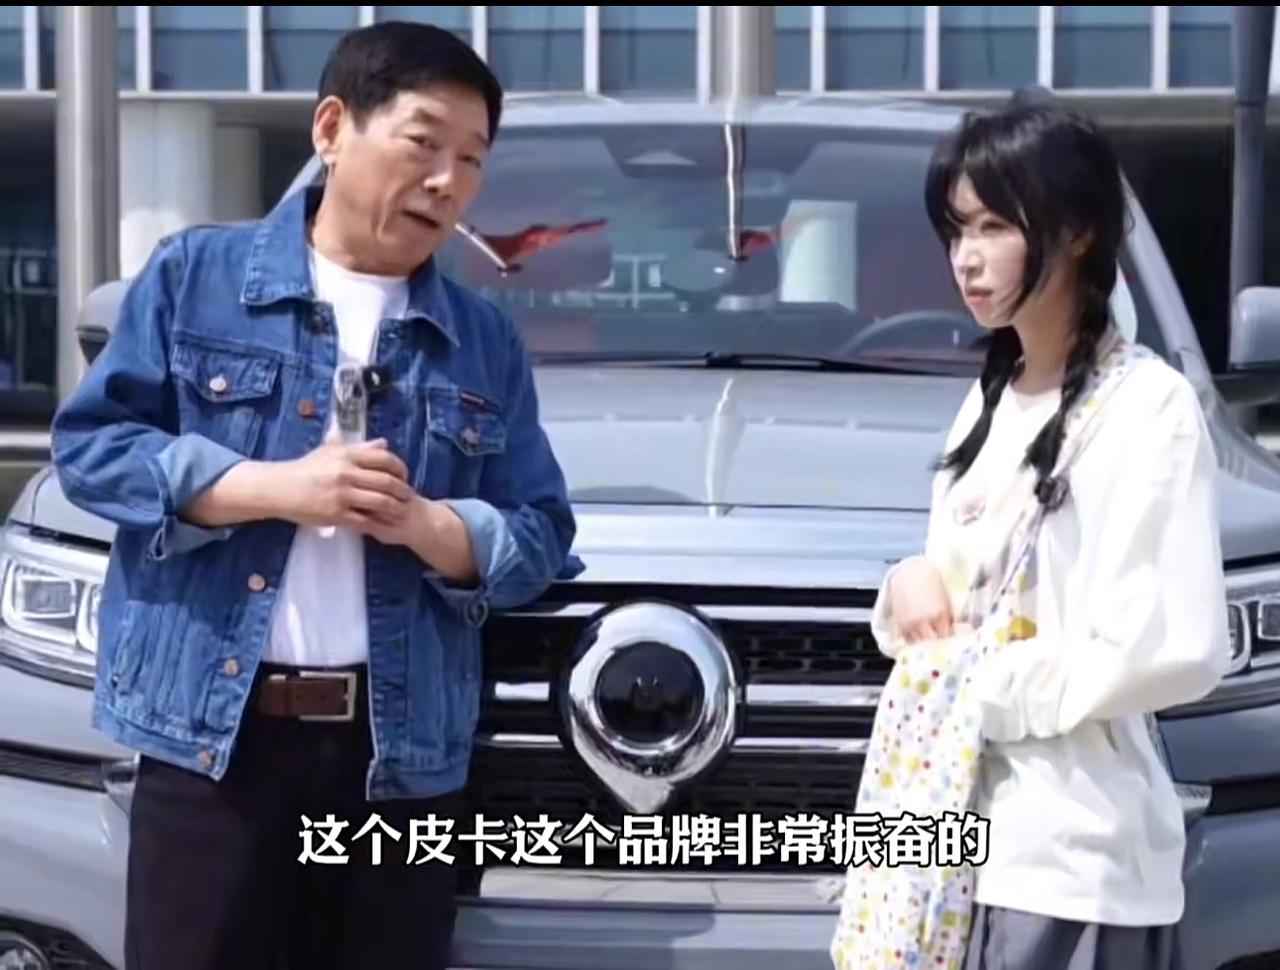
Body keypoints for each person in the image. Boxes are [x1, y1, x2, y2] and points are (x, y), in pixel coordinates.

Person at [50, 21, 580, 970]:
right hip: (214, 747)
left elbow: (541, 533)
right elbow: (94, 451)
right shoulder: (194, 278)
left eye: (471, 160)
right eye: (423, 142)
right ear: (332, 128)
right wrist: (269, 488)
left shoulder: (483, 340)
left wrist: (428, 525)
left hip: (398, 763)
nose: (447, 181)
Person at [867, 99, 1230, 968]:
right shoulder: (989, 400)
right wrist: (907, 587)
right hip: (948, 851)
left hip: (1070, 859)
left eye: (995, 226)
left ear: (1077, 232)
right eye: (957, 229)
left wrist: (980, 688)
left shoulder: (1147, 406)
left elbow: (1177, 645)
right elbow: (966, 601)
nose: (966, 256)